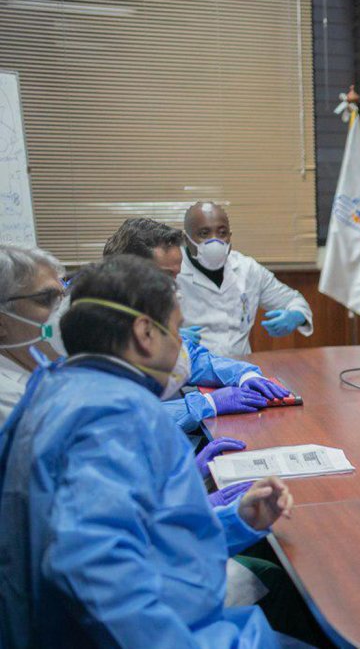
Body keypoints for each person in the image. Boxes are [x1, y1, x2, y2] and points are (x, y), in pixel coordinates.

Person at [0, 255, 295, 646]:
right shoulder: (120, 414)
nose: (181, 348)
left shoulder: (52, 389)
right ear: (144, 332)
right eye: (175, 330)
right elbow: (93, 567)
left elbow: (146, 537)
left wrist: (231, 521)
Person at [103, 218, 292, 432]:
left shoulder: (143, 314)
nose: (174, 288)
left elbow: (192, 358)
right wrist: (207, 404)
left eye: (176, 276)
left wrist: (244, 375)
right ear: (125, 273)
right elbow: (121, 420)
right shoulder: (95, 331)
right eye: (165, 276)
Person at [176, 202, 313, 356]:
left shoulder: (248, 269)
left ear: (230, 236)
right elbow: (146, 327)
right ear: (186, 239)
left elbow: (295, 301)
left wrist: (296, 316)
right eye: (204, 233)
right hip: (190, 371)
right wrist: (168, 336)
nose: (215, 241)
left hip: (242, 370)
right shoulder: (169, 272)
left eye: (222, 233)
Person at [0, 246, 66, 420]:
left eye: (62, 297)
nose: (62, 311)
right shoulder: (9, 402)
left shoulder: (47, 371)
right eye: (46, 299)